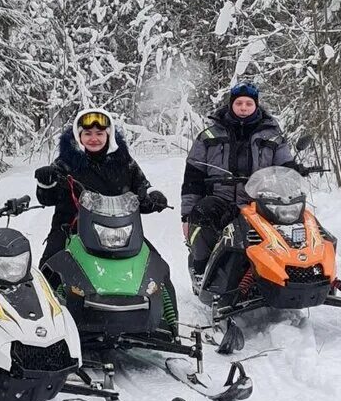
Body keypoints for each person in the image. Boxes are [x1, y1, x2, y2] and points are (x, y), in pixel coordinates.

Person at [180, 83, 294, 278]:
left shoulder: (273, 137)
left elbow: (285, 168)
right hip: (221, 201)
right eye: (239, 103)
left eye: (249, 103)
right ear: (231, 104)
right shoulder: (209, 136)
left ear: (256, 106)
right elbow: (193, 176)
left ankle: (287, 270)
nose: (243, 107)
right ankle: (202, 270)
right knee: (202, 213)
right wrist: (186, 214)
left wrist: (293, 171)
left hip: (260, 202)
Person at [34, 107, 168, 267]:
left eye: (99, 133)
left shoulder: (124, 162)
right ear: (79, 136)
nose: (94, 138)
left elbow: (141, 189)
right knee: (50, 265)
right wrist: (46, 182)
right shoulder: (65, 163)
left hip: (120, 232)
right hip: (71, 229)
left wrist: (153, 197)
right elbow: (48, 198)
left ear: (108, 135)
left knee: (155, 266)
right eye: (88, 134)